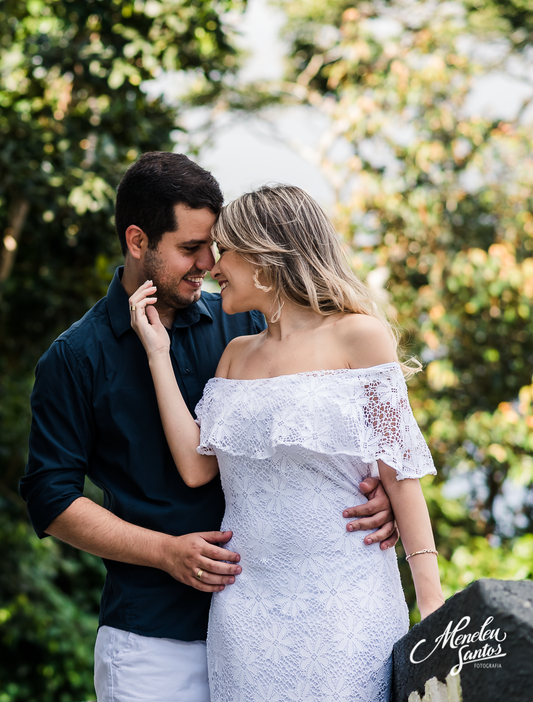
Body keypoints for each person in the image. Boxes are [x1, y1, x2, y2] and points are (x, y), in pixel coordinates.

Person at [18, 153, 398, 702]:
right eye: (189, 249)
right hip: (152, 639)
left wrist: (380, 488)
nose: (208, 263)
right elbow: (50, 500)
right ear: (137, 241)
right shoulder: (75, 358)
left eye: (214, 247)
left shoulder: (246, 321)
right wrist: (165, 552)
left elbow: (348, 415)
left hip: (276, 630)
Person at [127, 183, 443, 702]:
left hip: (348, 604)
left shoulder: (361, 336)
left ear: (266, 257)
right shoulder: (234, 354)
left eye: (224, 250)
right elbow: (195, 467)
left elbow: (399, 475)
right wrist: (158, 354)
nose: (212, 264)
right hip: (245, 615)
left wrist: (431, 601)